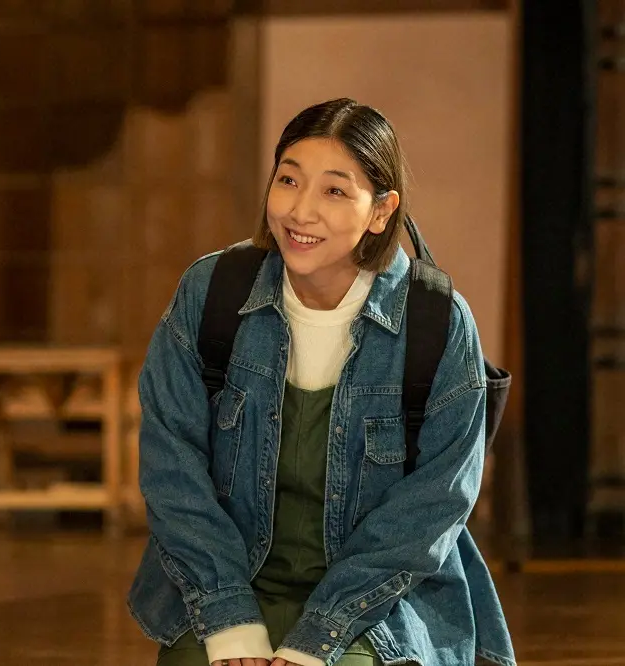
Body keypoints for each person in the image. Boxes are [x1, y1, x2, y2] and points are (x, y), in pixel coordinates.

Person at [126, 98, 515, 666]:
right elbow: (170, 464)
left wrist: (322, 635)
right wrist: (228, 616)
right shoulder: (211, 292)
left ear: (381, 211)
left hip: (379, 604)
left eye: (334, 190)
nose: (300, 211)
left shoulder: (438, 321)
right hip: (225, 584)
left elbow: (436, 503)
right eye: (288, 180)